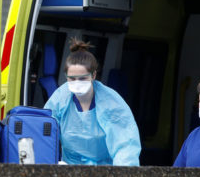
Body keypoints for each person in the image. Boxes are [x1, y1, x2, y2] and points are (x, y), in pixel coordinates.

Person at [44, 38, 141, 166]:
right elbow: (44, 131)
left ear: (93, 75)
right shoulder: (60, 99)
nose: (77, 83)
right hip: (69, 170)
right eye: (72, 78)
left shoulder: (111, 102)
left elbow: (125, 146)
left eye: (83, 78)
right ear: (66, 77)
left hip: (105, 171)